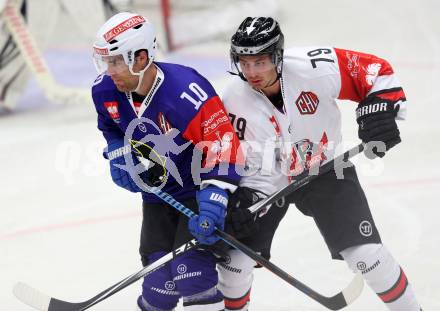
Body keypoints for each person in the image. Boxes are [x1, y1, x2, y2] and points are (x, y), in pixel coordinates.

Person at [218, 17, 422, 311]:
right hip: (268, 179)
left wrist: (380, 109)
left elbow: (377, 72)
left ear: (277, 56)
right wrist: (244, 202)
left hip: (324, 168)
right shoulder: (233, 98)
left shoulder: (315, 67)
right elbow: (248, 164)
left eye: (260, 62)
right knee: (234, 264)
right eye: (244, 63)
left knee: (368, 256)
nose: (251, 72)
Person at [91, 12, 243, 311]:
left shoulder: (186, 91)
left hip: (198, 193)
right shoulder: (105, 91)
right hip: (158, 197)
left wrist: (215, 198)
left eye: (116, 61)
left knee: (193, 276)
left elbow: (224, 145)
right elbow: (110, 125)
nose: (110, 71)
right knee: (159, 287)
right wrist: (119, 153)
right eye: (106, 62)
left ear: (142, 57)